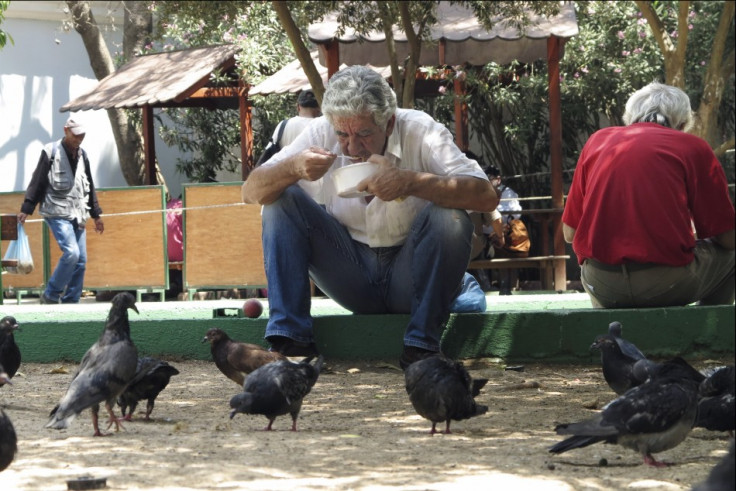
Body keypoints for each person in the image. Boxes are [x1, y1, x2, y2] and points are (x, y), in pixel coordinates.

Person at [242, 65, 497, 368]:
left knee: (450, 218)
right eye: (342, 134)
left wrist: (412, 182)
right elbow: (249, 192)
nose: (351, 146)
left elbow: (485, 196)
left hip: (409, 273)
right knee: (279, 200)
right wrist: (293, 168)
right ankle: (291, 339)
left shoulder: (420, 129)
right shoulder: (321, 132)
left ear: (389, 123)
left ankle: (422, 346)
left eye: (364, 134)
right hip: (350, 273)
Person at [562, 82, 735, 308]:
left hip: (601, 282)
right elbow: (728, 239)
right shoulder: (692, 146)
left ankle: (612, 336)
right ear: (682, 123)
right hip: (666, 282)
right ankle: (707, 335)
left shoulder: (597, 141)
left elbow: (569, 233)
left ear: (630, 116)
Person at [17, 117, 104, 304]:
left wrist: (96, 215)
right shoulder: (51, 152)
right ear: (66, 130)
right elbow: (38, 180)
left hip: (79, 213)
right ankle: (51, 293)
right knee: (71, 253)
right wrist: (27, 208)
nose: (79, 138)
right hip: (56, 211)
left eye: (82, 135)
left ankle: (71, 302)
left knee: (80, 260)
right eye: (76, 135)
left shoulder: (83, 155)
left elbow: (90, 185)